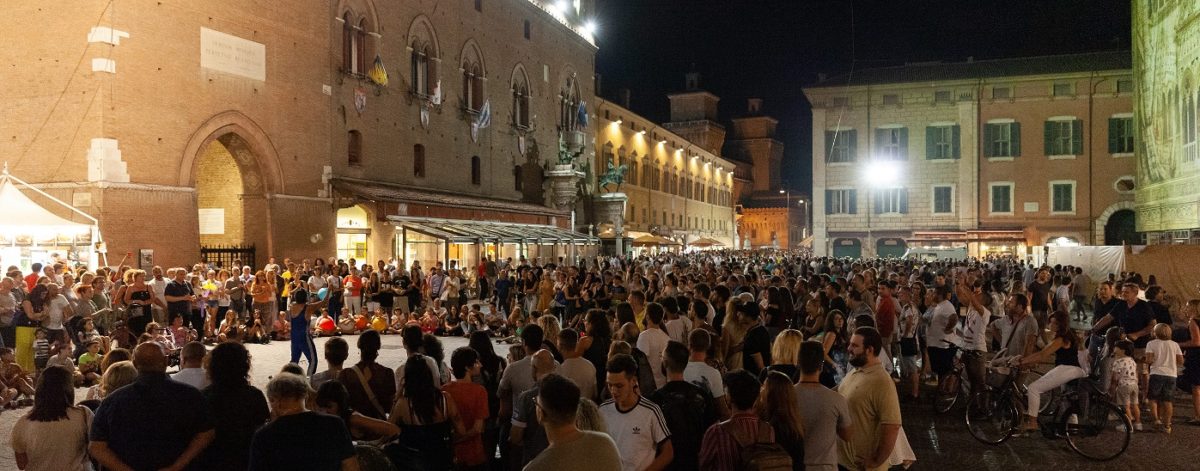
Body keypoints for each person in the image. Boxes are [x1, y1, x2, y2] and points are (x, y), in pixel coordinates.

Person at [90, 343, 215, 471]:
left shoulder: (113, 401)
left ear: (134, 363)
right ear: (166, 361)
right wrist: (177, 466)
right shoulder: (190, 395)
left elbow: (96, 446)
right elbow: (206, 434)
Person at [249, 373, 359, 471]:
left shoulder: (263, 436)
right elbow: (350, 466)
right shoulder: (334, 424)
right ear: (304, 396)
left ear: (275, 401)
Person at [524, 373, 622, 471]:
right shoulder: (605, 443)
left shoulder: (536, 467)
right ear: (576, 410)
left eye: (536, 402)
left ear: (541, 413)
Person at [837, 326, 901, 471]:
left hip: (861, 467)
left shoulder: (882, 381)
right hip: (844, 463)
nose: (849, 348)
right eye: (850, 344)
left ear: (869, 350)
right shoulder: (856, 371)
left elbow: (892, 426)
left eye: (854, 345)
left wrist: (874, 461)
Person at [201, 341, 270, 470]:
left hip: (213, 460)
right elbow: (261, 428)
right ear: (245, 366)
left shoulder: (204, 397)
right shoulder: (254, 395)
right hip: (246, 459)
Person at [599, 353, 673, 471]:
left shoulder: (650, 411)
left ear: (633, 381)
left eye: (619, 386)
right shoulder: (603, 410)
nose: (613, 391)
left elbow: (668, 452)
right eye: (610, 385)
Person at [11, 367, 94, 471]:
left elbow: (22, 464)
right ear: (69, 388)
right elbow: (95, 447)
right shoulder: (83, 414)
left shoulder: (23, 422)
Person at [648, 340, 714, 471]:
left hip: (667, 465)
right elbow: (710, 431)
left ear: (665, 363)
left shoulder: (656, 399)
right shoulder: (702, 395)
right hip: (696, 463)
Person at [388, 356, 460, 471]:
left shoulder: (403, 405)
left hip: (413, 464)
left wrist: (397, 397)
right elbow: (461, 431)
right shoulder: (445, 399)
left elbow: (388, 430)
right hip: (442, 461)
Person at [1019, 310, 1086, 431]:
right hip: (1072, 369)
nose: (1051, 325)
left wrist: (1022, 361)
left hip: (1067, 368)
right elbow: (1044, 353)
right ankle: (1071, 429)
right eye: (1050, 322)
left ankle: (1032, 422)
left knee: (1033, 388)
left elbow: (1043, 354)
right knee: (1067, 400)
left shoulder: (1061, 339)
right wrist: (1031, 361)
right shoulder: (1069, 335)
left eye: (1054, 323)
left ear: (1061, 324)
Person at [698, 370, 776, 471]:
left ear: (729, 397)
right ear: (756, 398)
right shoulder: (768, 430)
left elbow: (703, 466)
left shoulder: (716, 432)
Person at [795, 340, 853, 471]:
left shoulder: (786, 396)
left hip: (792, 464)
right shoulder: (836, 399)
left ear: (798, 363)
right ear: (821, 366)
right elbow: (847, 435)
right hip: (825, 466)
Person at [442, 347, 488, 470]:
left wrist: (451, 441)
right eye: (476, 362)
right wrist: (459, 439)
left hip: (450, 454)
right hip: (473, 453)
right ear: (467, 367)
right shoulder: (479, 391)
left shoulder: (444, 390)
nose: (480, 365)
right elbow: (478, 429)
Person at [511, 349, 558, 467]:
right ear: (554, 367)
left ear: (534, 368)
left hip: (534, 460)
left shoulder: (526, 398)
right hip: (560, 458)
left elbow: (515, 436)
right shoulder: (568, 391)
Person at [337, 330, 396, 420]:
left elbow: (342, 406)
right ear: (378, 347)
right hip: (379, 426)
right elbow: (390, 407)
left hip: (354, 427)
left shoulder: (345, 374)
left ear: (359, 346)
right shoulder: (387, 373)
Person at [758, 371, 805, 470]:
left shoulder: (775, 426)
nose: (761, 390)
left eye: (764, 387)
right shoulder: (793, 423)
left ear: (773, 394)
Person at [683, 329, 731, 420]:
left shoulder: (680, 368)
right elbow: (722, 408)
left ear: (689, 345)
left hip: (684, 423)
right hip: (707, 425)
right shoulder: (713, 373)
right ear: (708, 346)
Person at [1145, 323, 1183, 433]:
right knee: (1168, 400)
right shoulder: (1175, 345)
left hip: (1156, 373)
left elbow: (1149, 360)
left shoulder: (1151, 344)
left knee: (1153, 398)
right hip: (1171, 375)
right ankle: (1167, 425)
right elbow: (1181, 361)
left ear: (1155, 332)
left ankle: (1156, 420)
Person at [290, 276, 327, 377]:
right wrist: (329, 291)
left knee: (294, 361)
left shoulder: (292, 306)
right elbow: (323, 302)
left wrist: (298, 289)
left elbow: (292, 295)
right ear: (306, 297)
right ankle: (309, 380)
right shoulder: (308, 308)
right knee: (313, 360)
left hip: (294, 337)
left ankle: (289, 379)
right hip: (304, 337)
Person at [637, 302, 671, 390]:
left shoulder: (644, 336)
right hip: (662, 385)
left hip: (649, 386)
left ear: (647, 316)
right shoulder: (666, 337)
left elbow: (641, 363)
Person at [557, 328, 597, 401]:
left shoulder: (560, 370)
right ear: (576, 344)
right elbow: (594, 394)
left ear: (560, 346)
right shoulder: (590, 365)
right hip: (586, 408)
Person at [1110, 339, 1141, 431]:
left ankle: (1128, 426)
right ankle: (1138, 424)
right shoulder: (1131, 360)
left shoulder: (1118, 362)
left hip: (1123, 386)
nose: (1114, 348)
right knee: (1135, 404)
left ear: (1122, 350)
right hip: (1134, 385)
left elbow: (1114, 378)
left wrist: (1112, 387)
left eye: (1116, 347)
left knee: (1125, 406)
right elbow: (1136, 372)